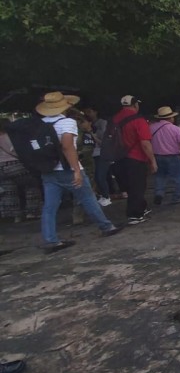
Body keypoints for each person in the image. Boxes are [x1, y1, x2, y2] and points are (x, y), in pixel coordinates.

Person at [36, 92, 122, 253]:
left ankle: (50, 240)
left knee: (50, 206)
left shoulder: (40, 124)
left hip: (49, 170)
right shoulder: (66, 122)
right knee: (88, 198)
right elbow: (68, 146)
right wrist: (76, 169)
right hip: (67, 169)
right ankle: (106, 226)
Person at [112, 95, 156, 225]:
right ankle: (134, 214)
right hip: (135, 157)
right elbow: (145, 143)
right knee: (138, 186)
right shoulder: (138, 120)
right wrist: (153, 160)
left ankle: (142, 207)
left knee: (130, 186)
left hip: (119, 158)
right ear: (135, 105)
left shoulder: (115, 119)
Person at [0, 118, 41, 223]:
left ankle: (15, 216)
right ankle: (32, 212)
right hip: (15, 165)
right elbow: (17, 151)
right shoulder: (11, 137)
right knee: (31, 185)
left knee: (10, 191)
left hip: (1, 168)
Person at [149, 106, 180, 205]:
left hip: (157, 156)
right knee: (179, 177)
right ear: (170, 118)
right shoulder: (175, 128)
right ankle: (178, 196)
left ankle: (159, 193)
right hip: (173, 156)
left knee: (160, 176)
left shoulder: (151, 127)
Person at [82, 107, 114, 207]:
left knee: (100, 176)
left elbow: (103, 143)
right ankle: (101, 195)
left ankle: (106, 196)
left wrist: (91, 133)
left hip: (101, 154)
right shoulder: (82, 131)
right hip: (90, 155)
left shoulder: (101, 125)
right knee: (95, 177)